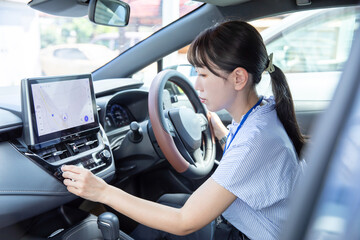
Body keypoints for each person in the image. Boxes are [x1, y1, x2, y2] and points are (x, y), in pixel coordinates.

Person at [62, 20, 306, 240]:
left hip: (248, 232)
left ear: (238, 78)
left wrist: (102, 191)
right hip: (245, 222)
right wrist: (221, 134)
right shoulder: (263, 112)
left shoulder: (254, 142)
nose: (196, 84)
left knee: (167, 219)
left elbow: (184, 222)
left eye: (202, 74)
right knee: (167, 202)